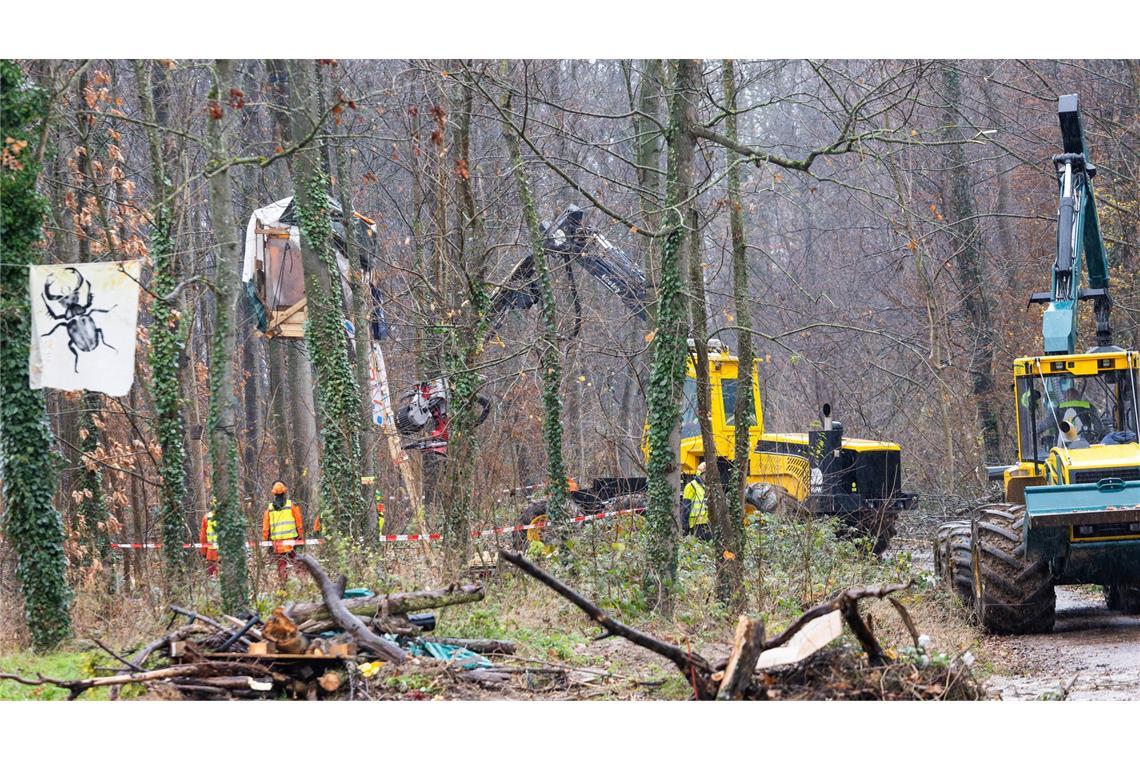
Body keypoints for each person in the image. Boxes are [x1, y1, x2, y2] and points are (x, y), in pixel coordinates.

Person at [262, 480, 304, 581]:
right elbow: (299, 523)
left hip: (277, 544)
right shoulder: (292, 505)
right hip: (291, 542)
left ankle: (283, 587)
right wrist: (301, 537)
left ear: (273, 493)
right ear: (285, 492)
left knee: (281, 566)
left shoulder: (269, 508)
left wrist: (267, 542)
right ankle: (304, 583)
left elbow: (266, 528)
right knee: (298, 563)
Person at [682, 461, 712, 541]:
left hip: (707, 523)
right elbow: (686, 506)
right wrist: (685, 526)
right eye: (706, 474)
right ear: (700, 474)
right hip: (696, 524)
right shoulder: (691, 486)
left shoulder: (707, 487)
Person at [199, 510, 218, 577]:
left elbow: (203, 537)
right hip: (226, 553)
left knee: (213, 579)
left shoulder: (207, 517)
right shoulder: (230, 515)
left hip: (211, 554)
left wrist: (204, 552)